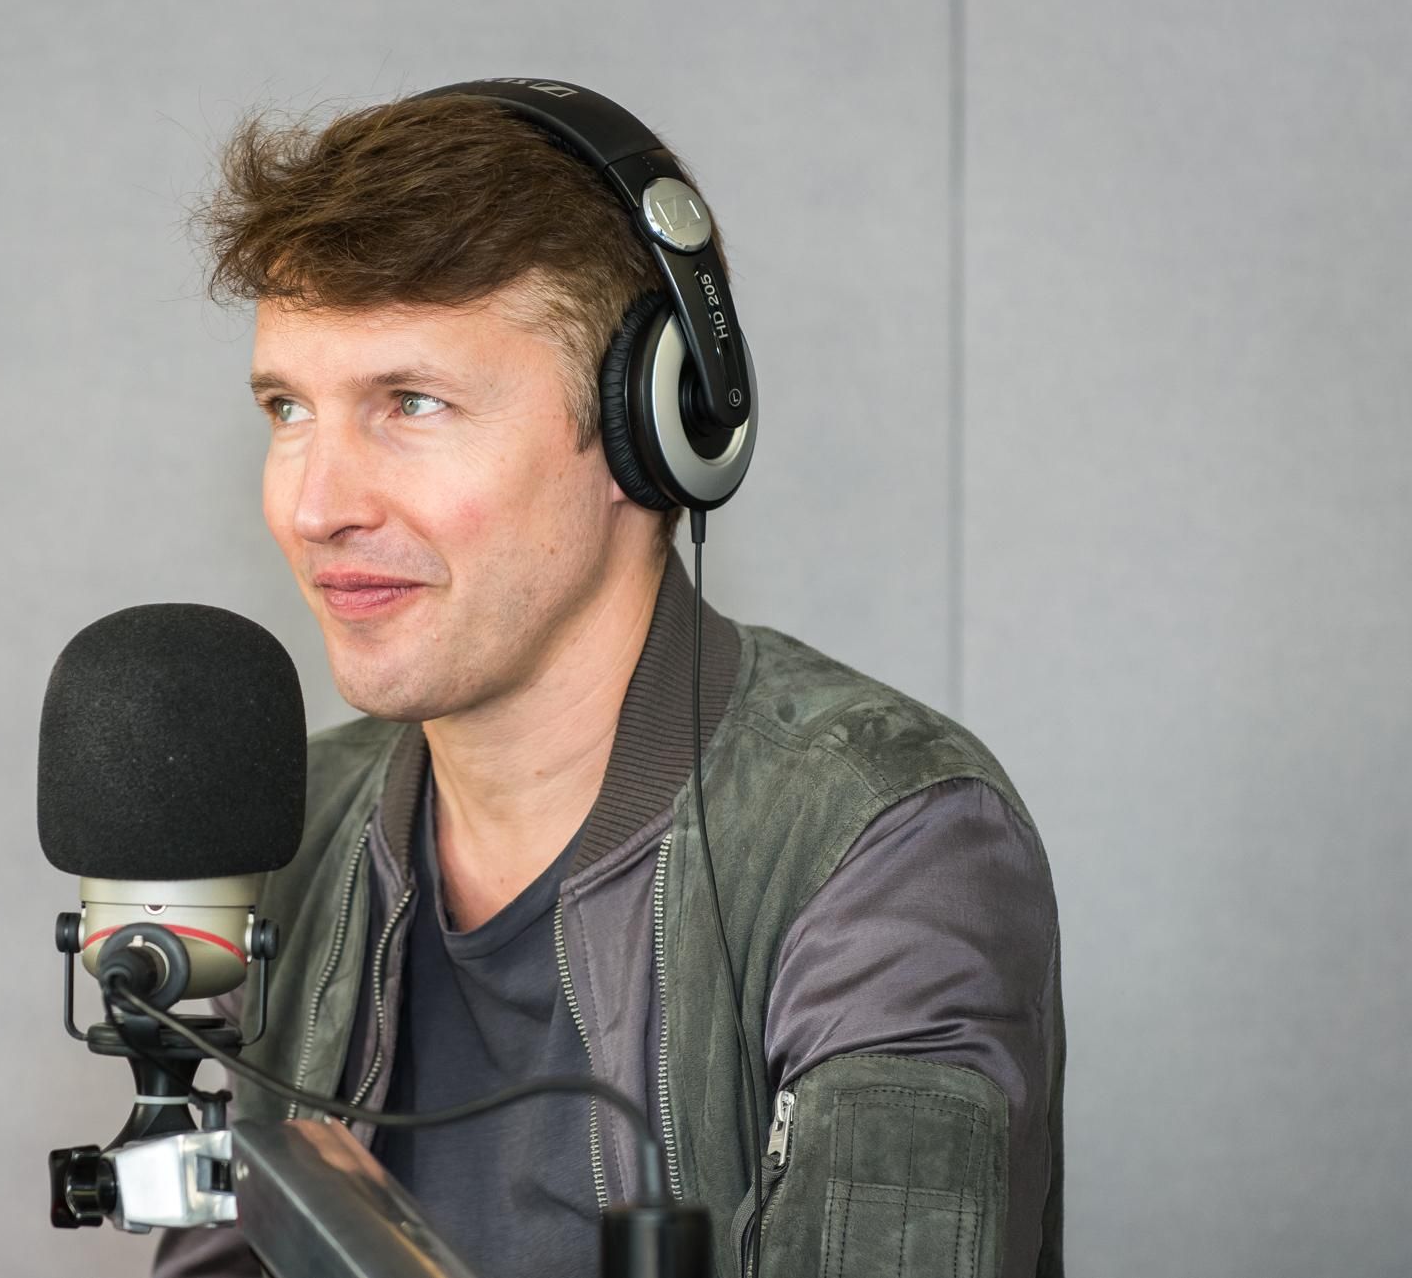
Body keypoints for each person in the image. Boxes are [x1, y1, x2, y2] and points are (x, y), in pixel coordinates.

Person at [153, 81, 1063, 1278]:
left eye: (411, 403)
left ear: (654, 426)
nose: (316, 506)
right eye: (288, 408)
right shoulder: (288, 832)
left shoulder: (883, 844)